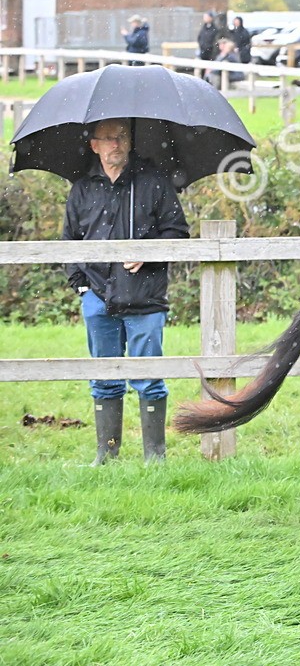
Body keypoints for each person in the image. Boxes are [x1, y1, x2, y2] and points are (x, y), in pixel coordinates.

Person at [63, 118, 190, 464]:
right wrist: (82, 287)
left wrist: (148, 252)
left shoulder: (154, 182)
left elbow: (178, 233)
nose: (116, 144)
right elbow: (68, 243)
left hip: (145, 297)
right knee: (104, 377)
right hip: (97, 297)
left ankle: (155, 457)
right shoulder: (82, 189)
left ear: (130, 142)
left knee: (148, 378)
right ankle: (107, 455)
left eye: (121, 137)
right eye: (108, 138)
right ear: (94, 145)